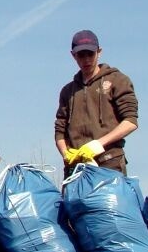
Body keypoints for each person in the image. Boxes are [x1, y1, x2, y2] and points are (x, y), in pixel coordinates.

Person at [54, 29, 138, 179]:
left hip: (110, 164)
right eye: (81, 54)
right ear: (73, 55)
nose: (86, 59)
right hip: (76, 169)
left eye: (90, 54)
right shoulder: (68, 91)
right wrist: (66, 154)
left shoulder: (117, 80)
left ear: (99, 52)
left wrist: (98, 144)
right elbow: (60, 131)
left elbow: (130, 121)